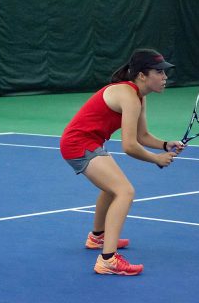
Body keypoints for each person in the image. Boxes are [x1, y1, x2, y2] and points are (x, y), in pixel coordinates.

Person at [60, 48, 185, 276]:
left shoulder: (139, 97)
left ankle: (97, 237)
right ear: (142, 75)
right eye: (159, 72)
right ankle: (107, 260)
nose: (165, 77)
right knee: (124, 191)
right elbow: (129, 146)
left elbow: (142, 137)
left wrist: (166, 145)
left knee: (112, 188)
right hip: (78, 144)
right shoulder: (128, 95)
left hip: (90, 142)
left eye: (165, 72)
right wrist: (156, 159)